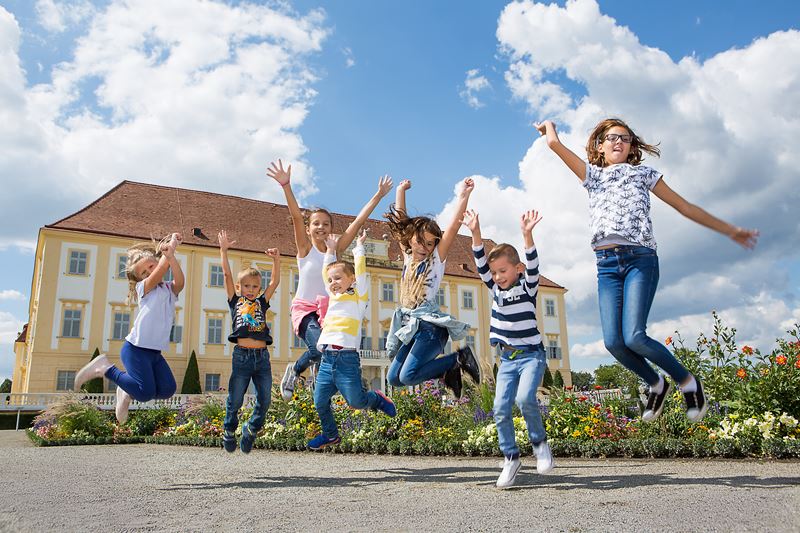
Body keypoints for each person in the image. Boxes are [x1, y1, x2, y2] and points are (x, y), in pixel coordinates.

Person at [536, 118, 759, 423]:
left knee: (635, 336)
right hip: (606, 266)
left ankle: (688, 382)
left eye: (626, 139)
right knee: (614, 342)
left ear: (632, 148)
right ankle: (655, 383)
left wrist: (729, 230)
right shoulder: (592, 176)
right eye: (612, 137)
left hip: (640, 258)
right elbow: (553, 144)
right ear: (600, 146)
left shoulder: (644, 174)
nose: (619, 142)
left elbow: (684, 206)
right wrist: (548, 127)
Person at [267, 160, 393, 400]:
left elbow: (357, 223)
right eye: (316, 223)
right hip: (304, 309)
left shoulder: (335, 250)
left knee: (328, 351)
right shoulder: (305, 248)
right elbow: (295, 217)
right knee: (318, 347)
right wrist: (286, 186)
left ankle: (318, 377)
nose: (321, 227)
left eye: (326, 224)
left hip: (328, 312)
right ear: (308, 229)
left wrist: (378, 195)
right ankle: (294, 371)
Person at [463, 208, 554, 488]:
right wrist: (475, 233)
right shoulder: (495, 290)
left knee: (525, 399)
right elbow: (480, 263)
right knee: (500, 407)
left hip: (531, 357)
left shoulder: (528, 287)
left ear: (517, 270)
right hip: (507, 360)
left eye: (503, 271)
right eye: (495, 273)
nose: (498, 276)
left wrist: (527, 235)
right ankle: (511, 457)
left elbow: (534, 264)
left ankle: (539, 444)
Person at [74, 233, 184, 424]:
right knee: (144, 393)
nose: (149, 272)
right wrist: (171, 248)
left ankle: (126, 389)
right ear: (140, 279)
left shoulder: (167, 289)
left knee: (168, 389)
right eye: (144, 272)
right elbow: (160, 269)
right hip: (136, 350)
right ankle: (106, 368)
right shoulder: (144, 289)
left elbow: (180, 282)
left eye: (151, 266)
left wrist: (171, 256)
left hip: (154, 352)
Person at [384, 178, 480, 398]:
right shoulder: (408, 256)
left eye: (430, 243)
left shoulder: (436, 260)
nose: (424, 247)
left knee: (408, 376)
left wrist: (464, 195)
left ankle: (459, 358)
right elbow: (400, 221)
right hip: (412, 327)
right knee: (393, 378)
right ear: (410, 240)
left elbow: (454, 225)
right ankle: (449, 370)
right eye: (420, 241)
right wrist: (400, 191)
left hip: (430, 329)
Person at [307, 231, 396, 450]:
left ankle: (376, 399)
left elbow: (362, 273)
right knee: (319, 401)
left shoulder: (358, 298)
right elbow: (325, 273)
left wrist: (359, 247)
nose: (333, 282)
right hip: (327, 360)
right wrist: (329, 251)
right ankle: (331, 436)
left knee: (356, 402)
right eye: (331, 280)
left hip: (347, 359)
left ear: (351, 279)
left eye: (338, 278)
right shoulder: (333, 295)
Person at [218, 230, 280, 454]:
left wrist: (276, 260)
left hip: (262, 359)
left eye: (255, 287)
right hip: (242, 356)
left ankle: (251, 429)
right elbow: (226, 275)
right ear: (239, 288)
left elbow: (275, 281)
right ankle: (228, 430)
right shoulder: (235, 301)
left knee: (265, 401)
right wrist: (224, 250)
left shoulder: (262, 302)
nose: (251, 290)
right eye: (247, 286)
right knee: (235, 400)